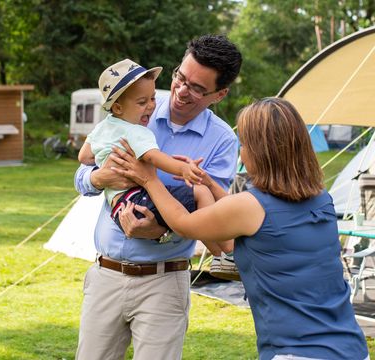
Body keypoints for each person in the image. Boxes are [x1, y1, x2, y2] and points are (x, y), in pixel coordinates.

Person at [111, 97, 369, 360]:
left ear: (262, 151)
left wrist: (148, 178)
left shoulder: (251, 207)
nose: (241, 153)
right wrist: (209, 184)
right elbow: (254, 222)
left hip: (299, 352)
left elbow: (184, 225)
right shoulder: (320, 198)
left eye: (244, 144)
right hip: (350, 348)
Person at [74, 34, 242, 360]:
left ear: (219, 94)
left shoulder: (221, 141)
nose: (181, 90)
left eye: (197, 88)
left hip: (164, 282)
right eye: (180, 77)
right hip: (106, 275)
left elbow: (211, 217)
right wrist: (99, 177)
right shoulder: (135, 105)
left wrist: (162, 232)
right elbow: (82, 173)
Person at [78, 58, 217, 235]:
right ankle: (222, 251)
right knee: (201, 193)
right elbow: (153, 157)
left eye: (152, 98)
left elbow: (84, 157)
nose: (151, 105)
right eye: (142, 102)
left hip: (119, 208)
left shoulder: (102, 127)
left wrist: (106, 157)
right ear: (119, 108)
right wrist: (183, 169)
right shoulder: (136, 131)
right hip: (137, 200)